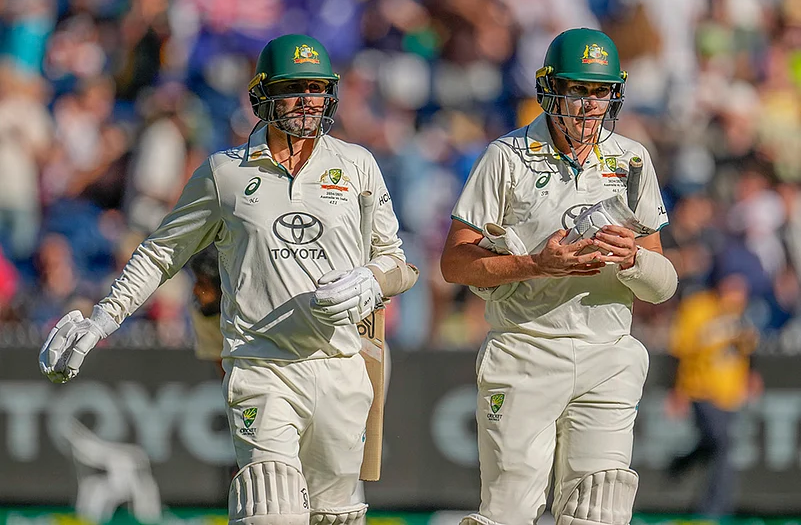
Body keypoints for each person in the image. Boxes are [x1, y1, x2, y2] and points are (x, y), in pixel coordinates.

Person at [39, 33, 418, 525]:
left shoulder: (357, 164)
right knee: (272, 510)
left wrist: (371, 280)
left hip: (341, 365)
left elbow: (397, 262)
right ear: (263, 95)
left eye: (317, 88)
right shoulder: (225, 174)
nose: (307, 100)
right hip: (262, 366)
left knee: (335, 517)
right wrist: (102, 319)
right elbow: (162, 252)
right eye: (293, 88)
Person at [440, 28, 677, 525]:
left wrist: (633, 259)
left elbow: (663, 286)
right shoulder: (506, 156)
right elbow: (455, 263)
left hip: (608, 353)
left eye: (600, 92)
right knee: (508, 513)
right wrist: (535, 265)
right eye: (577, 90)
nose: (589, 105)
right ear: (550, 89)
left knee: (599, 508)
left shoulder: (632, 158)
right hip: (525, 348)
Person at [667, 263, 761, 517]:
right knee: (722, 443)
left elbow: (748, 349)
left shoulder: (740, 313)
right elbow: (679, 351)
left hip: (729, 392)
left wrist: (752, 375)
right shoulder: (697, 307)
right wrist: (676, 390)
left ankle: (683, 466)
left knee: (718, 445)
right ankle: (714, 510)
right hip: (700, 389)